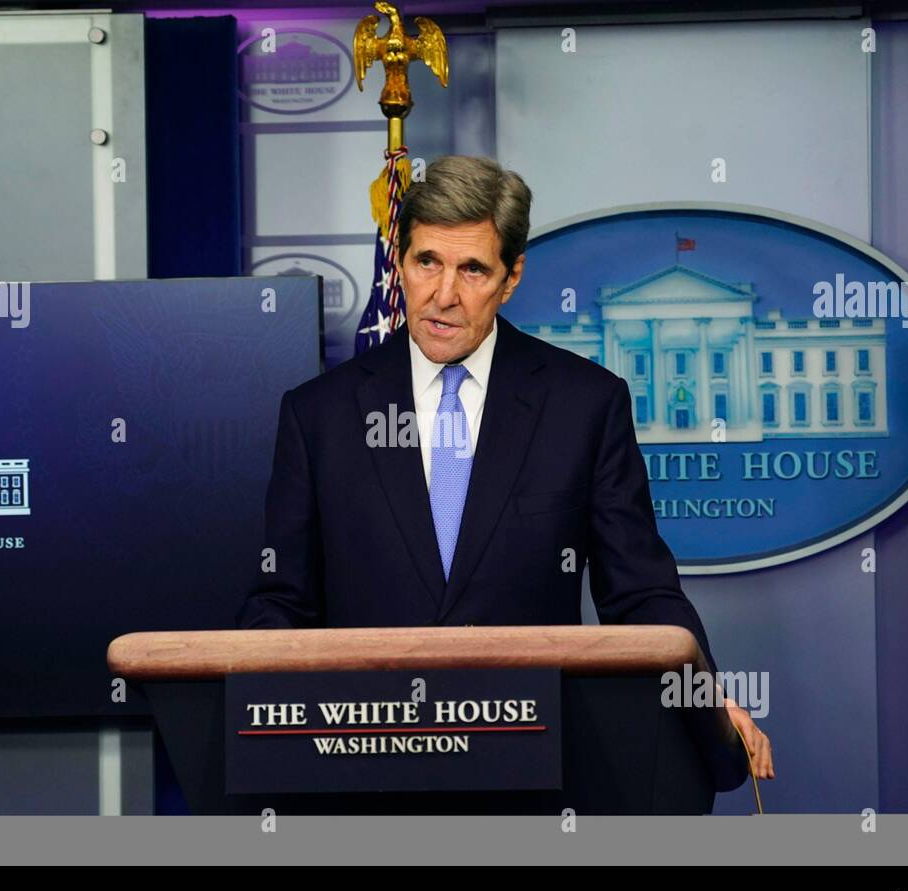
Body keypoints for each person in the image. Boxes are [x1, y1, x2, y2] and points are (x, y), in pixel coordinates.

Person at [237, 155, 773, 779]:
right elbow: (282, 599)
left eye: (472, 270)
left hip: (536, 761)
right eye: (426, 262)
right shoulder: (317, 417)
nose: (443, 295)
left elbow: (640, 593)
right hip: (364, 762)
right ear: (401, 265)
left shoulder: (584, 405)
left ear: (511, 277)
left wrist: (704, 698)